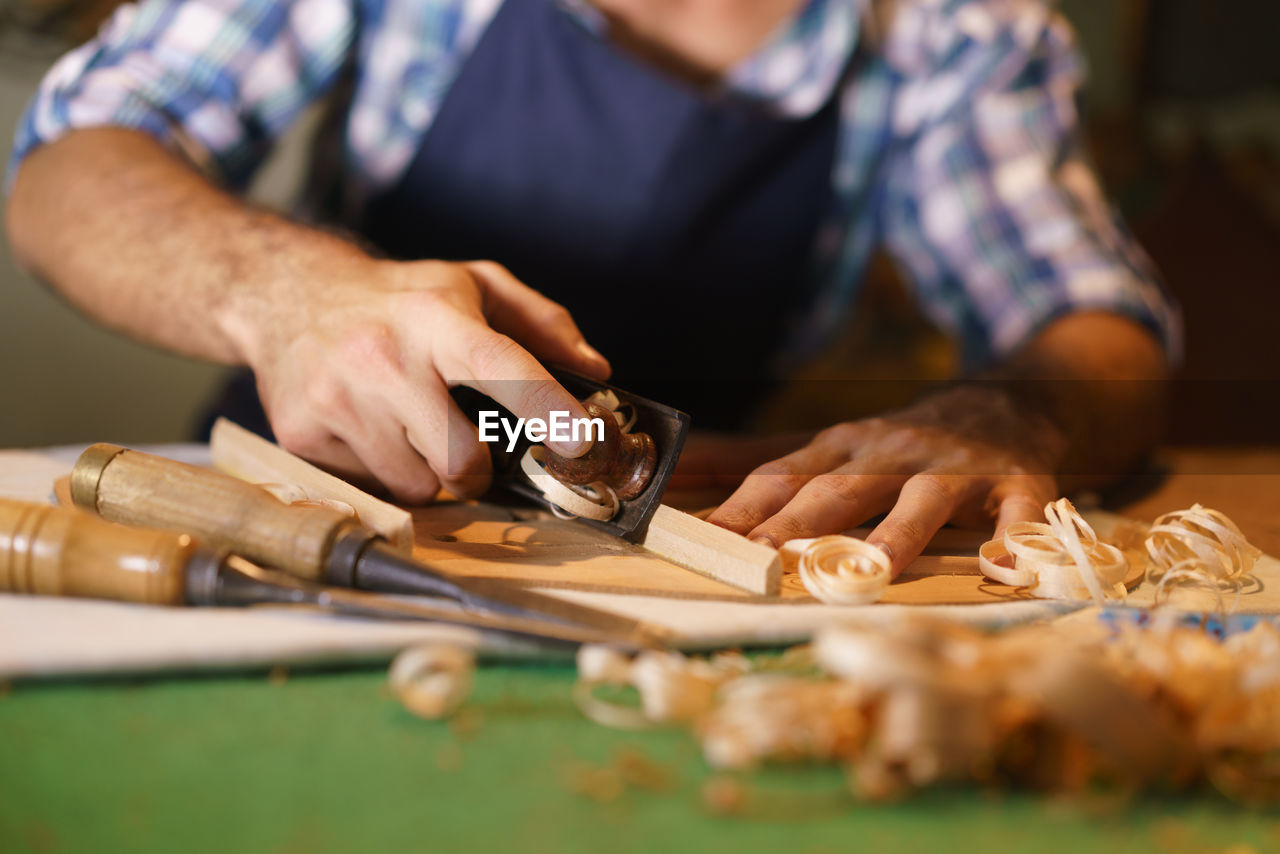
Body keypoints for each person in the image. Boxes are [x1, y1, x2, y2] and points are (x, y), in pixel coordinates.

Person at [4, 0, 1177, 574]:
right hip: (292, 516)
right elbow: (72, 163)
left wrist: (1018, 405)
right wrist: (283, 291)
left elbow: (1088, 317)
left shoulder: (955, 28)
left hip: (676, 563)